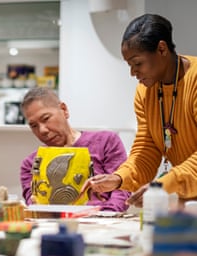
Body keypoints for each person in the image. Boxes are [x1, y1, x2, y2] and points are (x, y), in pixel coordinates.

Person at [82, 13, 197, 208]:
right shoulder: (145, 92)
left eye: (137, 63)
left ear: (161, 49)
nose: (132, 72)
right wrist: (118, 178)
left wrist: (165, 183)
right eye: (129, 65)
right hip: (188, 203)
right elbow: (146, 149)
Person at [20, 87, 130, 212]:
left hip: (102, 224)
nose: (42, 130)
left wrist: (105, 215)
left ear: (64, 110)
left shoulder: (106, 142)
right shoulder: (30, 164)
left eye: (46, 119)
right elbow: (33, 205)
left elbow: (122, 189)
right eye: (34, 126)